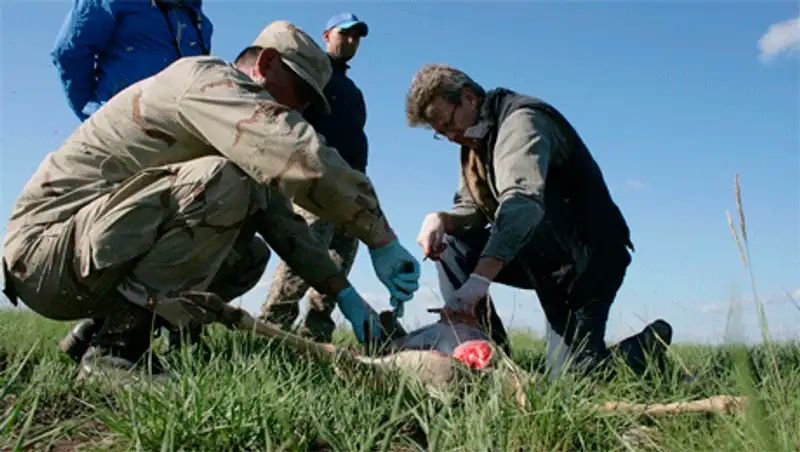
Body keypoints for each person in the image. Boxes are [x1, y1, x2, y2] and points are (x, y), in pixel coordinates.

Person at [1, 20, 420, 380]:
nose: (301, 110)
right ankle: (117, 352)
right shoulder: (207, 81)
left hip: (84, 256)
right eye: (300, 95)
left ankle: (95, 331)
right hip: (46, 255)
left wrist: (347, 297)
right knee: (225, 182)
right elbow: (299, 156)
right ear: (267, 63)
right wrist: (380, 235)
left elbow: (285, 226)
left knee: (247, 254)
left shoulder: (224, 128)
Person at [405, 63, 672, 379]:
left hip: (584, 263)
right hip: (541, 259)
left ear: (468, 98)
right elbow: (473, 209)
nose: (450, 138)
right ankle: (483, 355)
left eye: (448, 124)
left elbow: (521, 205)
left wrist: (477, 282)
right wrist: (441, 220)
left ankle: (647, 346)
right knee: (451, 244)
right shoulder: (473, 141)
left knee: (572, 382)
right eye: (440, 133)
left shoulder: (522, 123)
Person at [259, 12, 371, 343]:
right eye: (345, 34)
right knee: (303, 256)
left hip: (352, 186)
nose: (351, 42)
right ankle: (272, 330)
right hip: (316, 184)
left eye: (357, 37)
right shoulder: (310, 75)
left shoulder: (352, 90)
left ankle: (317, 333)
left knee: (340, 262)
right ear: (326, 35)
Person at [51, 0, 213, 122]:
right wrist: (95, 112)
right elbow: (70, 53)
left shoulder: (197, 19)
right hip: (125, 125)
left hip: (183, 128)